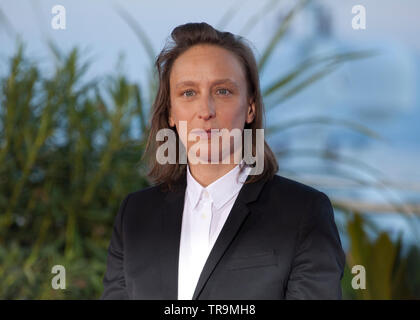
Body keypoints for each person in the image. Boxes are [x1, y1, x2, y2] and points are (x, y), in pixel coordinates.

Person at [100, 22, 345, 300]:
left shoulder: (304, 213)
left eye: (223, 91)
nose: (205, 111)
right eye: (188, 93)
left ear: (250, 107)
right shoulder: (135, 214)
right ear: (170, 112)